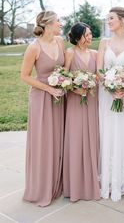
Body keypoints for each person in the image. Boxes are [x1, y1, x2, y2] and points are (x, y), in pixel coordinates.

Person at [21, 11, 65, 207]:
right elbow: (25, 76)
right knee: (43, 141)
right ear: (48, 24)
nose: (60, 24)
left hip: (60, 97)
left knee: (58, 139)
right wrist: (49, 89)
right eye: (58, 21)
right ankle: (41, 187)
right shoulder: (34, 47)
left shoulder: (60, 42)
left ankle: (57, 182)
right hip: (41, 98)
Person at [97, 6, 124, 202]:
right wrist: (110, 87)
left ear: (122, 20)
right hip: (107, 96)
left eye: (111, 18)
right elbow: (98, 70)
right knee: (107, 132)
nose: (108, 21)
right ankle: (106, 180)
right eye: (107, 18)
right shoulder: (104, 43)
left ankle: (123, 181)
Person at [63, 22, 100, 201]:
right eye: (87, 35)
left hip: (92, 100)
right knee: (76, 138)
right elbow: (63, 77)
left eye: (91, 34)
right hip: (75, 100)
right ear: (78, 37)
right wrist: (75, 89)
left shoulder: (95, 53)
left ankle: (92, 180)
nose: (90, 38)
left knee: (92, 137)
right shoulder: (70, 53)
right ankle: (75, 185)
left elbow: (100, 76)